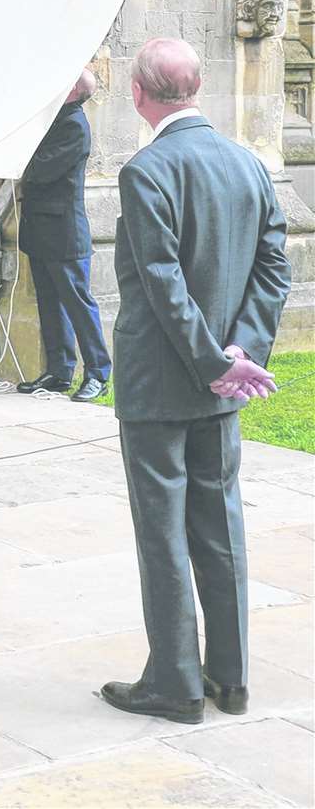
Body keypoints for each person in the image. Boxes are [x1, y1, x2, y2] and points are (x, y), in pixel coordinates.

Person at [102, 37, 290, 725]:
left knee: (165, 532)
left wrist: (219, 361)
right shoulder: (249, 163)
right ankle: (231, 678)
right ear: (197, 88)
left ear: (141, 94)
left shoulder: (147, 169)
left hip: (162, 380)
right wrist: (239, 350)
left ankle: (176, 686)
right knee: (221, 525)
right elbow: (275, 266)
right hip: (221, 380)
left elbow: (160, 280)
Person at [16, 68, 112, 402]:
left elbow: (40, 170)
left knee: (77, 304)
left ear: (73, 90)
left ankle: (99, 373)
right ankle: (59, 371)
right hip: (40, 228)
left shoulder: (73, 125)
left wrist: (18, 154)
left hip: (64, 231)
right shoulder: (54, 118)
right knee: (49, 304)